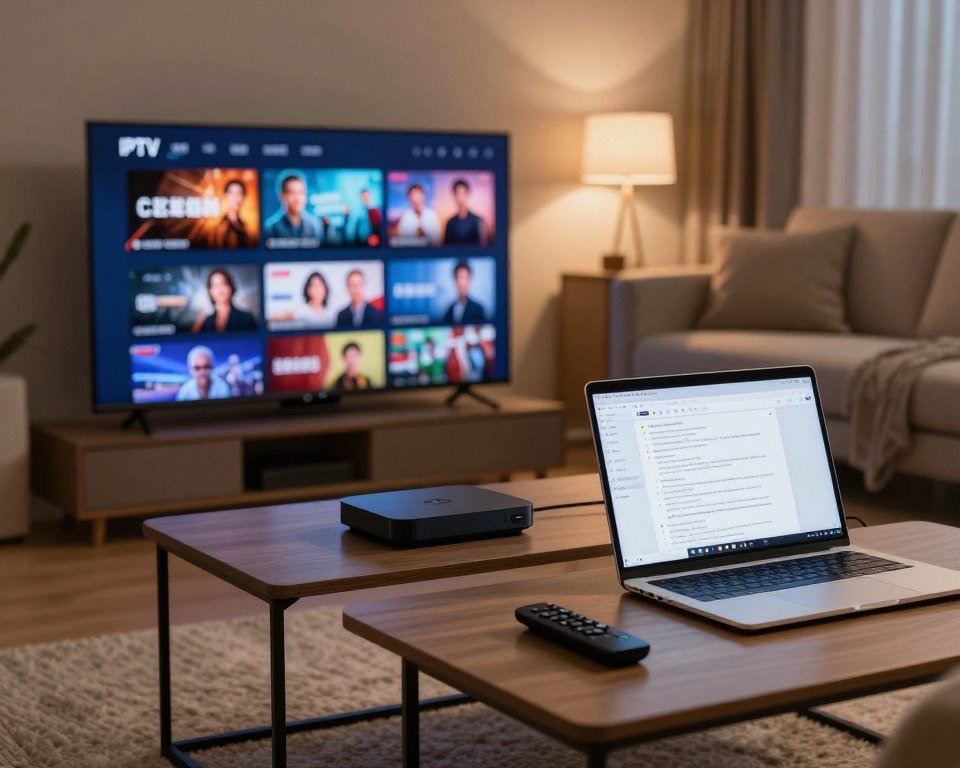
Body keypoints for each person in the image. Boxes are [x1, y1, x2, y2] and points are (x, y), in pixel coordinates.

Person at [263, 173, 323, 242]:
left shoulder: (316, 226)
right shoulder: (271, 229)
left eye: (300, 193)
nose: (297, 199)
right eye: (292, 193)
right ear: (282, 196)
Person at [195, 268, 257, 332]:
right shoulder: (206, 322)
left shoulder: (246, 318)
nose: (220, 290)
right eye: (215, 286)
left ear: (230, 288)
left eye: (223, 284)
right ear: (210, 291)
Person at [443, 178, 488, 246]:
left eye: (463, 193)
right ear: (454, 196)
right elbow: (446, 248)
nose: (461, 197)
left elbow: (484, 248)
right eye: (458, 193)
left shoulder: (478, 221)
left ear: (468, 194)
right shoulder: (450, 223)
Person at [213, 179, 252, 248]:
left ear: (243, 197)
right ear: (225, 196)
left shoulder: (244, 225)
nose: (236, 198)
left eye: (240, 193)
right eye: (232, 194)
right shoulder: (220, 227)